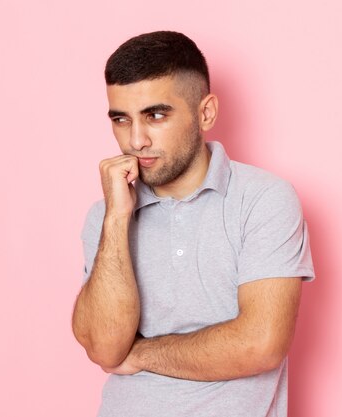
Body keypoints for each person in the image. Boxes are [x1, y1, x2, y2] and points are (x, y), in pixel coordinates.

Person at [71, 31, 315, 417]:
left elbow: (261, 343)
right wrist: (118, 218)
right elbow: (104, 348)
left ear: (205, 113)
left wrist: (142, 353)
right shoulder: (105, 217)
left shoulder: (263, 199)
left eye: (155, 115)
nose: (136, 140)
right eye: (121, 119)